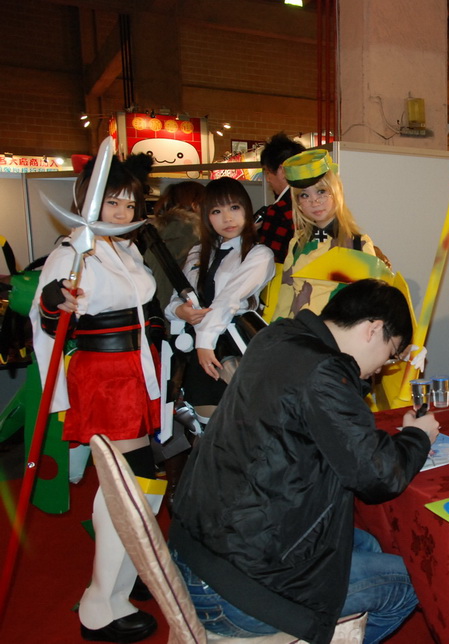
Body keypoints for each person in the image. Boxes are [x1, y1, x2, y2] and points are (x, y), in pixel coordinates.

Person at [169, 279, 439, 644]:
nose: (381, 368)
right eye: (391, 354)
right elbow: (377, 476)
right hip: (235, 588)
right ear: (373, 329)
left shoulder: (278, 336)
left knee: (368, 546)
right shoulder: (323, 372)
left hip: (198, 546)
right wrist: (417, 437)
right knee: (413, 582)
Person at [30, 152, 162, 643]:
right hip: (106, 376)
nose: (123, 211)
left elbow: (140, 306)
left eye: (130, 203)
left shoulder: (125, 250)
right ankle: (100, 604)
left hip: (137, 371)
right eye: (112, 202)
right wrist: (55, 301)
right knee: (130, 484)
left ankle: (125, 579)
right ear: (88, 201)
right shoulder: (73, 251)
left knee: (137, 482)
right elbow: (48, 315)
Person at [165, 177, 274, 423]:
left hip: (233, 346)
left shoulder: (258, 254)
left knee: (237, 428)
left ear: (247, 209)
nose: (227, 218)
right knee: (204, 426)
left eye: (234, 207)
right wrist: (179, 311)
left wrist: (205, 341)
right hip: (195, 347)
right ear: (206, 216)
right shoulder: (198, 251)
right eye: (216, 211)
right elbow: (175, 298)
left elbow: (229, 299)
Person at [273, 148, 376, 320]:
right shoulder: (297, 244)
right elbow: (285, 299)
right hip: (297, 331)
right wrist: (274, 332)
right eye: (304, 195)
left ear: (336, 192)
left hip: (336, 333)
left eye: (321, 191)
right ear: (298, 204)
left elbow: (370, 305)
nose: (314, 201)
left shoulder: (359, 244)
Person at [144, 180, 203, 306]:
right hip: (180, 312)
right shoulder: (192, 236)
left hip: (157, 310)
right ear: (196, 205)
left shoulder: (155, 236)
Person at [257, 132, 306, 264]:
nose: (268, 179)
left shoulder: (278, 210)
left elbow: (269, 260)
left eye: (268, 172)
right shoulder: (312, 202)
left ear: (282, 171)